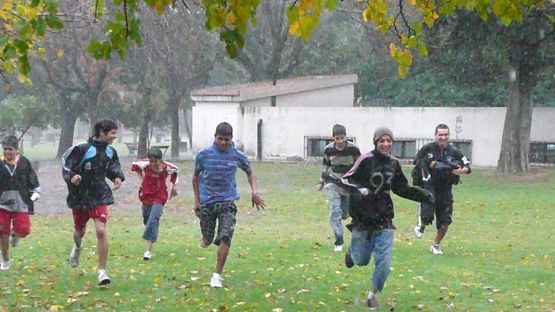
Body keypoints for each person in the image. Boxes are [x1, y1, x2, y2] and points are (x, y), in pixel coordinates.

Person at [341, 127, 434, 309]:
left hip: (384, 219)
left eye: (388, 140)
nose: (385, 144)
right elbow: (346, 179)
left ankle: (372, 295)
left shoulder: (394, 163)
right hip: (363, 218)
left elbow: (402, 188)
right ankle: (352, 252)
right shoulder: (365, 159)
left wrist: (426, 196)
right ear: (376, 142)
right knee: (362, 260)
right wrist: (359, 190)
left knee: (384, 262)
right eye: (382, 141)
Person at [192, 122, 266, 288]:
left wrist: (254, 192)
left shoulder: (237, 155)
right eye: (220, 139)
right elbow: (195, 177)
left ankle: (217, 275)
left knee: (226, 236)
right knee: (208, 238)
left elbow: (250, 172)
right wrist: (197, 201)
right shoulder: (204, 154)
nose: (223, 143)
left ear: (231, 139)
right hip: (207, 201)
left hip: (227, 201)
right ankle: (207, 238)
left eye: (227, 139)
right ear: (215, 137)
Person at [62, 119, 125, 285]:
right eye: (112, 133)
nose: (114, 136)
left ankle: (102, 272)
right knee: (79, 232)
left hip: (99, 195)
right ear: (102, 133)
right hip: (80, 197)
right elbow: (66, 165)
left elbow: (113, 166)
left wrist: (117, 177)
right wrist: (72, 176)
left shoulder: (111, 151)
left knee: (101, 231)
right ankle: (77, 247)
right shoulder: (81, 149)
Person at [411, 123, 471, 255]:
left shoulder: (454, 151)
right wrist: (429, 164)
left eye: (445, 135)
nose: (443, 137)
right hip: (429, 185)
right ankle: (422, 223)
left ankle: (436, 245)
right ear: (435, 135)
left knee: (445, 221)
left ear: (449, 135)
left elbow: (467, 165)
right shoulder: (427, 149)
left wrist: (462, 170)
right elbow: (416, 162)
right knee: (428, 214)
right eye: (440, 135)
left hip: (445, 188)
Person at [317, 124, 360, 252]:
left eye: (342, 138)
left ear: (346, 137)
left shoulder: (354, 149)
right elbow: (326, 166)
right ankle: (339, 239)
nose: (340, 141)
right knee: (335, 211)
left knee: (345, 214)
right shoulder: (328, 150)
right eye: (337, 138)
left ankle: (344, 217)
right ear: (333, 138)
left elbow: (360, 166)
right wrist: (321, 182)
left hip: (349, 185)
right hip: (333, 183)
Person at [0, 135, 40, 271]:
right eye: (4, 149)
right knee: (1, 232)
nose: (7, 152)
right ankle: (5, 260)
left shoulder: (24, 162)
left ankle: (15, 234)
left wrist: (35, 192)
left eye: (10, 149)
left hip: (21, 203)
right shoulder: (0, 163)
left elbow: (32, 179)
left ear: (16, 149)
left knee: (24, 230)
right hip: (2, 204)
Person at [131, 147, 178, 261]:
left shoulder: (166, 167)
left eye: (155, 161)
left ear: (160, 160)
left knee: (153, 219)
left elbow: (176, 172)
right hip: (146, 196)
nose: (153, 164)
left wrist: (173, 187)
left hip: (160, 196)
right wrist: (141, 180)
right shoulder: (145, 164)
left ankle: (148, 251)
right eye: (151, 161)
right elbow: (134, 166)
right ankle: (150, 232)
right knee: (147, 220)